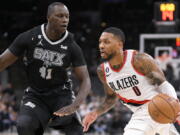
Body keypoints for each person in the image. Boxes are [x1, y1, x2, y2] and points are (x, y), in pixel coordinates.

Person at [0, 2, 91, 135]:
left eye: (67, 16)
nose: (65, 20)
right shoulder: (29, 37)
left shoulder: (72, 46)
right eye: (60, 16)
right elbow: (2, 61)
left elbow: (86, 79)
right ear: (48, 17)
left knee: (76, 131)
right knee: (25, 126)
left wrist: (75, 105)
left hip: (61, 96)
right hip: (36, 95)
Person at [82, 27, 180, 135]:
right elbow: (111, 98)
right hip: (146, 111)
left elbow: (163, 84)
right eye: (100, 42)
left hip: (156, 104)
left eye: (107, 42)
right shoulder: (103, 71)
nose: (101, 46)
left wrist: (176, 108)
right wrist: (95, 113)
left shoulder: (139, 59)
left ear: (119, 45)